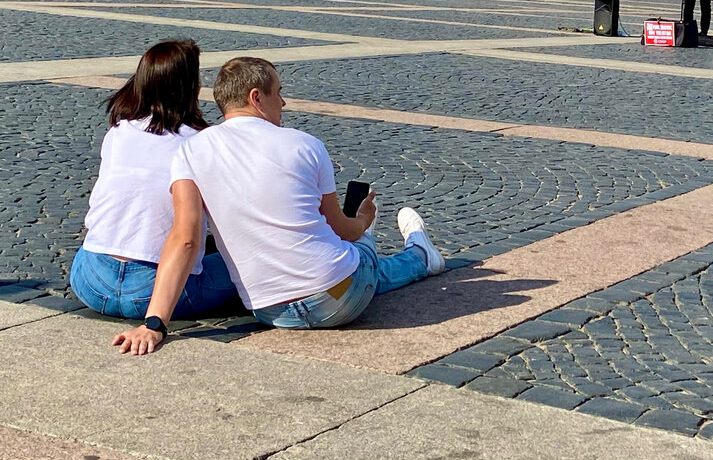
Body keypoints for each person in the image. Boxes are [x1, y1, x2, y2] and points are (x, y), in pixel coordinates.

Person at [111, 57, 444, 354]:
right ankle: (419, 254)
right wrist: (364, 221)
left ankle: (409, 253)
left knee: (345, 256)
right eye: (279, 93)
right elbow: (342, 230)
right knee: (364, 252)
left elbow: (185, 238)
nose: (283, 102)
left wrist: (154, 323)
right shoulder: (306, 145)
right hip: (339, 297)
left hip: (269, 310)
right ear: (256, 98)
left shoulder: (189, 151)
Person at [70, 40, 238, 321]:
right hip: (151, 292)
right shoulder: (202, 143)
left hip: (90, 281)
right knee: (244, 264)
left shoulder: (119, 130)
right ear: (191, 88)